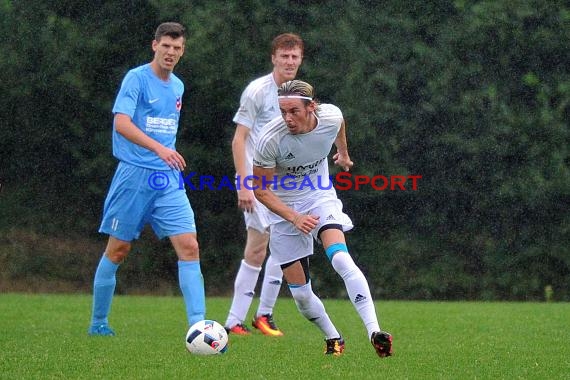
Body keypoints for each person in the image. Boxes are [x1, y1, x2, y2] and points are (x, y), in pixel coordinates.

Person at [251, 79, 393, 357]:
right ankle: (334, 337)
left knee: (340, 258)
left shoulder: (330, 116)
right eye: (283, 112)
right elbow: (260, 190)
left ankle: (375, 331)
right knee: (302, 296)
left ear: (312, 107)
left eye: (294, 111)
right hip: (284, 212)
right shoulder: (270, 138)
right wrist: (293, 218)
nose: (287, 118)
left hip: (319, 197)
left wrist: (343, 152)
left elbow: (339, 124)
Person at [88, 22, 205, 336]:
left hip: (166, 179)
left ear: (182, 51)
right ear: (155, 45)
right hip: (134, 176)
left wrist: (167, 152)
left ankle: (199, 327)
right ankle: (98, 323)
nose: (171, 53)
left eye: (177, 48)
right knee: (118, 250)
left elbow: (164, 128)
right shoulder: (136, 79)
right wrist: (158, 149)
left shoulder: (178, 86)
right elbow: (122, 124)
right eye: (166, 46)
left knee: (190, 246)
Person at [224, 33, 304, 336]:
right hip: (256, 181)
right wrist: (244, 185)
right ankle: (234, 320)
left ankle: (264, 315)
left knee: (285, 243)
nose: (290, 61)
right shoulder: (257, 91)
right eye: (284, 56)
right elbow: (239, 139)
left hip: (284, 183)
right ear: (274, 58)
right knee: (258, 247)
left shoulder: (298, 93)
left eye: (295, 56)